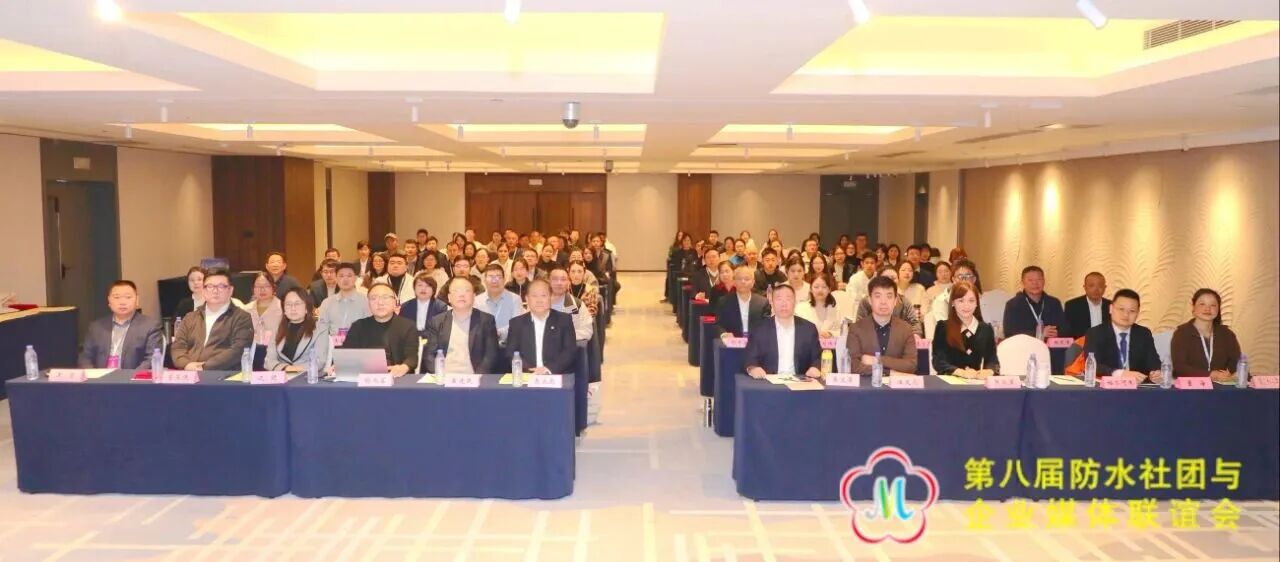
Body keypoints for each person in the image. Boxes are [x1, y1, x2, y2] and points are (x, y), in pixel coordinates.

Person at [170, 268, 255, 371]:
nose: (215, 291)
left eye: (221, 286)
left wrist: (204, 367)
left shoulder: (241, 317)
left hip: (223, 375)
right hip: (189, 373)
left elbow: (237, 350)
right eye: (210, 286)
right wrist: (186, 364)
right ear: (203, 290)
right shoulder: (190, 317)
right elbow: (178, 347)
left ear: (230, 290)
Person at [423, 276, 501, 374]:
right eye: (456, 291)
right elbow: (429, 355)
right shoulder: (437, 321)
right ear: (449, 297)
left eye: (466, 291)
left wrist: (477, 377)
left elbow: (491, 355)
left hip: (474, 377)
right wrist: (439, 374)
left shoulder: (486, 320)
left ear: (474, 296)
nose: (461, 295)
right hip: (444, 376)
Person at [78, 280, 164, 369]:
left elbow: (151, 360)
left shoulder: (150, 326)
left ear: (137, 300)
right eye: (117, 297)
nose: (122, 302)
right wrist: (93, 375)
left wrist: (131, 376)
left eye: (128, 297)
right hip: (101, 377)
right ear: (109, 301)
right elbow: (85, 358)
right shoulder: (96, 327)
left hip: (132, 376)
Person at [743, 283, 822, 379]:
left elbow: (817, 357)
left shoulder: (809, 328)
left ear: (795, 302)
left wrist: (815, 367)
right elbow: (750, 357)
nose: (784, 304)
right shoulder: (759, 328)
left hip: (799, 381)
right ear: (771, 302)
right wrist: (753, 368)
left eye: (788, 299)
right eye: (779, 299)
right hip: (768, 381)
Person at [340, 283, 418, 377]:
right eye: (374, 298)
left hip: (397, 378)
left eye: (385, 297)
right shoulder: (358, 326)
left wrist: (404, 367)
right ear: (368, 303)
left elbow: (412, 357)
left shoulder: (408, 326)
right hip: (364, 378)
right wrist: (340, 365)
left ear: (394, 302)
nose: (380, 303)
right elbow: (347, 354)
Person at [1085, 289, 1161, 383]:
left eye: (1132, 311)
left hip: (1138, 388)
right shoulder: (1095, 333)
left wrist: (1156, 373)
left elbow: (1154, 363)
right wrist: (1119, 373)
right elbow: (1093, 365)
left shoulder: (1143, 334)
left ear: (1137, 313)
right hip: (1106, 387)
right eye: (1121, 309)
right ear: (1111, 309)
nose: (1126, 315)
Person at [847, 275, 918, 376]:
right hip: (867, 385)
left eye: (889, 296)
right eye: (878, 296)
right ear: (870, 300)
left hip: (896, 385)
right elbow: (853, 366)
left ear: (895, 301)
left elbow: (911, 365)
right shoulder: (856, 329)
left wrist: (877, 360)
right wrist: (889, 372)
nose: (883, 302)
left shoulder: (906, 329)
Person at [506, 279, 579, 374]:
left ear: (551, 297)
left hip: (556, 375)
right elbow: (511, 353)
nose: (539, 300)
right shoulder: (516, 323)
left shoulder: (564, 320)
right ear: (527, 299)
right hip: (527, 375)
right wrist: (531, 371)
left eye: (543, 296)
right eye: (534, 296)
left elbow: (569, 351)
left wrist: (548, 369)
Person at [1169, 288, 1243, 382]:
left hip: (1220, 387)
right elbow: (1180, 368)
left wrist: (1237, 375)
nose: (1207, 309)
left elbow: (1237, 365)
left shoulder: (1227, 334)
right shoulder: (1182, 333)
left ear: (1218, 309)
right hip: (1190, 387)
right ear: (1193, 307)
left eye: (1213, 305)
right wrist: (1210, 375)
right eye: (1202, 304)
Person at [931, 282, 998, 378]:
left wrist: (989, 371)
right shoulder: (943, 327)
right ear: (953, 303)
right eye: (961, 301)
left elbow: (993, 361)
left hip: (976, 382)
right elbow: (938, 361)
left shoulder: (986, 329)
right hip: (949, 381)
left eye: (971, 301)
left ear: (977, 303)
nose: (966, 306)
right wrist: (960, 372)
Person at [265, 287, 328, 372]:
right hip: (281, 375)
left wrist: (295, 369)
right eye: (288, 304)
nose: (293, 308)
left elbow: (319, 361)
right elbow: (269, 360)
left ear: (307, 308)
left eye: (297, 304)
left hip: (307, 376)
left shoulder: (320, 329)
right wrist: (285, 368)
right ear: (284, 309)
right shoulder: (277, 328)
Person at [857, 266, 923, 337]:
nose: (890, 281)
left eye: (893, 278)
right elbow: (860, 325)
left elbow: (915, 324)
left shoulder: (904, 301)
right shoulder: (866, 301)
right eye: (886, 278)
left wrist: (915, 336)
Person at [1002, 266, 1064, 340]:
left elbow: (1065, 329)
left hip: (1051, 345)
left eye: (1039, 279)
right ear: (1022, 283)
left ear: (1044, 281)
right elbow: (1009, 333)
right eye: (1030, 280)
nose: (1035, 283)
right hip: (1024, 345)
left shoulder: (1054, 303)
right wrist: (1038, 334)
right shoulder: (1013, 305)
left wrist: (1056, 332)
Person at [316, 262, 370, 338]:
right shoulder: (327, 303)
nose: (345, 279)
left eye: (349, 276)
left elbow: (369, 328)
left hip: (359, 343)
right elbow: (322, 329)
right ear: (336, 278)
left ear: (355, 278)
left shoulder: (366, 301)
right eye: (341, 276)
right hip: (333, 343)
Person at [717, 266, 770, 338]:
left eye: (747, 279)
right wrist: (724, 334)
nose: (743, 282)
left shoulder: (762, 302)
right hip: (733, 342)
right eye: (739, 279)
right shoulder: (724, 301)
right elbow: (718, 324)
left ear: (753, 282)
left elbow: (767, 325)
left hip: (757, 342)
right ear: (734, 282)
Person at [476, 263, 521, 345]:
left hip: (509, 346)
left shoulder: (515, 299)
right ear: (484, 280)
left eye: (498, 277)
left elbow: (517, 324)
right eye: (491, 277)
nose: (495, 281)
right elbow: (475, 326)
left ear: (504, 279)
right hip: (484, 346)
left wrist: (499, 333)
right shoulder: (477, 301)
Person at [549, 266, 595, 342]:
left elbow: (587, 331)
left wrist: (564, 336)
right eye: (555, 279)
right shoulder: (537, 303)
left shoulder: (578, 305)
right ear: (549, 282)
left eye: (563, 279)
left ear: (568, 282)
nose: (559, 283)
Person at [1062, 272, 1111, 339]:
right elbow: (1067, 332)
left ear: (1105, 288)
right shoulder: (1072, 306)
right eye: (1091, 286)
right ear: (1085, 287)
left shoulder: (1112, 306)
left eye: (1100, 286)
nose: (1096, 289)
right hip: (1080, 344)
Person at [398, 273, 447, 338]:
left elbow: (441, 330)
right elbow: (402, 329)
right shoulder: (405, 306)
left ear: (433, 290)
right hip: (410, 341)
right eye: (420, 285)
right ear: (414, 288)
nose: (423, 289)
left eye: (428, 286)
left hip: (432, 341)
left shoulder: (440, 307)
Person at [795, 272, 842, 339]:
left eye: (824, 287)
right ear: (811, 289)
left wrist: (830, 334)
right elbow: (796, 331)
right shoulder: (800, 308)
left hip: (828, 344)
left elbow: (840, 331)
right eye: (816, 287)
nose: (820, 290)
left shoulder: (835, 309)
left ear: (829, 289)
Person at [243, 272, 282, 349]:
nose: (262, 289)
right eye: (258, 286)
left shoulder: (283, 308)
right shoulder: (246, 310)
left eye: (266, 286)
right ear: (253, 288)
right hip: (251, 352)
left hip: (276, 352)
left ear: (273, 287)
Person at [845, 252, 877, 318]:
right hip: (857, 309)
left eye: (872, 263)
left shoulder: (879, 277)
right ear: (862, 264)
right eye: (867, 263)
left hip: (876, 309)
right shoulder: (854, 278)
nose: (869, 265)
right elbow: (851, 296)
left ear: (876, 264)